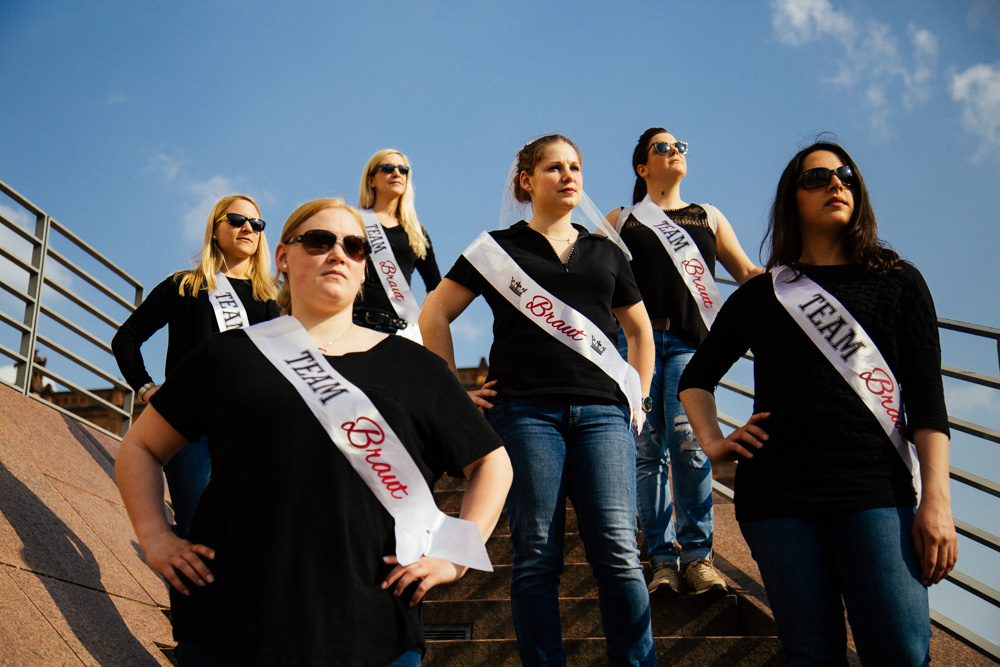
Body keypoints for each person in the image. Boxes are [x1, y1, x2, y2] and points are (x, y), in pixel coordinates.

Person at [115, 198, 513, 666]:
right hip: (231, 626)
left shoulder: (418, 370)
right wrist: (156, 537)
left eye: (354, 246)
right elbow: (140, 446)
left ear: (365, 268)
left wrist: (454, 555)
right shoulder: (227, 356)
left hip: (373, 631)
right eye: (319, 241)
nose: (338, 253)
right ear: (283, 257)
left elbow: (492, 462)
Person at [678, 141, 957, 666]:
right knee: (810, 653)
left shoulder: (899, 282)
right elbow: (695, 378)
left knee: (901, 650)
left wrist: (936, 502)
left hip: (875, 488)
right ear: (791, 198)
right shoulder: (763, 294)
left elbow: (927, 399)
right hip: (778, 496)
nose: (836, 184)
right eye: (818, 178)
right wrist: (714, 443)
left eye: (846, 176)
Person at [420, 134, 656, 666]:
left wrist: (636, 395)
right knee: (535, 556)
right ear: (526, 181)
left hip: (603, 413)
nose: (568, 175)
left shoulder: (606, 251)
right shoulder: (495, 248)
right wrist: (454, 395)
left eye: (575, 167)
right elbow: (433, 314)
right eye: (554, 168)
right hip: (525, 413)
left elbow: (639, 332)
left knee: (619, 553)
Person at [606, 127, 762, 597]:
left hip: (692, 346)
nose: (674, 151)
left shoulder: (708, 216)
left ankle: (698, 557)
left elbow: (748, 274)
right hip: (637, 347)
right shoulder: (621, 218)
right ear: (642, 167)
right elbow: (589, 278)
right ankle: (661, 561)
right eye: (662, 147)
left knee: (690, 445)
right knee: (647, 452)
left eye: (679, 146)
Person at [112, 195, 279, 538]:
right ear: (215, 230)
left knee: (242, 536)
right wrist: (146, 389)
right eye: (236, 220)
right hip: (190, 433)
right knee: (196, 530)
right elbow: (126, 338)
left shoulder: (271, 300)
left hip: (247, 434)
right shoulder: (184, 286)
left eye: (256, 224)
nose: (248, 227)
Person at [355, 149, 441, 339]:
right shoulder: (355, 222)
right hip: (355, 323)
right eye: (387, 168)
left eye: (403, 170)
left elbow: (436, 287)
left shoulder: (416, 232)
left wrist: (418, 322)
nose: (396, 173)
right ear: (371, 180)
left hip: (398, 332)